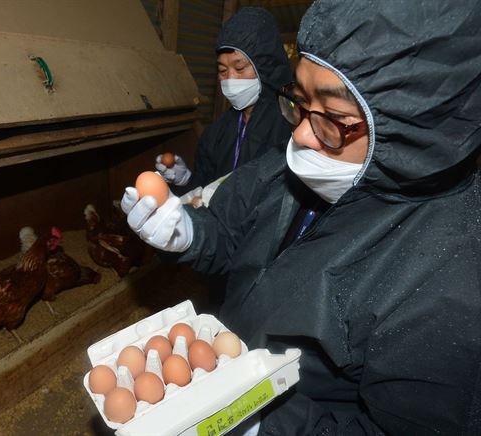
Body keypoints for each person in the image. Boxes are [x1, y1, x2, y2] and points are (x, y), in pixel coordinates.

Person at [121, 1, 481, 434]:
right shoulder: (290, 167)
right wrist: (188, 233)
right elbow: (232, 234)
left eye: (332, 116)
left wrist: (261, 422)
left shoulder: (448, 283)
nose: (300, 133)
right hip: (230, 358)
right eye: (300, 99)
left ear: (412, 125)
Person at [155, 7, 292, 199]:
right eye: (222, 70)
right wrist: (186, 180)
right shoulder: (216, 133)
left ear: (266, 66)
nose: (230, 79)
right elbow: (204, 186)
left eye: (239, 67)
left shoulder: (290, 130)